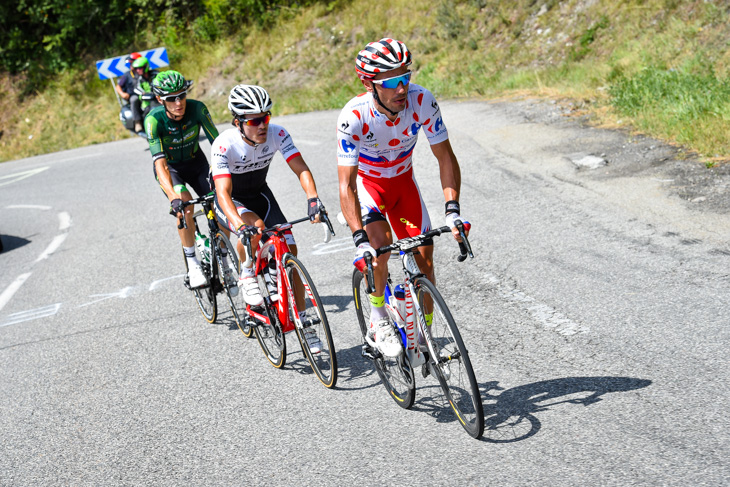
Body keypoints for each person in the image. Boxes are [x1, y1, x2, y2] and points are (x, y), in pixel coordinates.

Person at [337, 38, 470, 358]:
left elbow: (446, 158)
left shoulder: (421, 100)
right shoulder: (354, 116)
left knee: (425, 260)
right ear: (369, 84)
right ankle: (379, 318)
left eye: (405, 76)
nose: (402, 88)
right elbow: (347, 185)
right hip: (370, 190)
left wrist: (452, 211)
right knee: (379, 250)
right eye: (392, 82)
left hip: (403, 187)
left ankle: (423, 333)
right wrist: (359, 239)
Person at [210, 84, 328, 351]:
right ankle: (247, 273)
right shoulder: (224, 144)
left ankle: (302, 320)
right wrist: (239, 225)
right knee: (255, 226)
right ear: (238, 122)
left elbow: (301, 168)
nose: (263, 125)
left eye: (266, 117)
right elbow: (224, 193)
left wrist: (313, 199)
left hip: (260, 193)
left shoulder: (277, 134)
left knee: (290, 247)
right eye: (254, 120)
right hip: (231, 199)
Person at [144, 70, 222, 290]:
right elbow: (160, 165)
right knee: (185, 207)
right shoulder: (154, 120)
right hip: (172, 169)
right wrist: (172, 198)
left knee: (220, 202)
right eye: (171, 99)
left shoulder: (198, 108)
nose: (179, 102)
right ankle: (192, 262)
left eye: (182, 95)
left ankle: (223, 256)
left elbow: (217, 144)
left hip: (197, 163)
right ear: (160, 99)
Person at [131, 57, 160, 134]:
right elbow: (136, 89)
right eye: (136, 69)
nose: (138, 70)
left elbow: (163, 81)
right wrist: (144, 94)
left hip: (159, 99)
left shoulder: (155, 74)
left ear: (145, 67)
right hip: (147, 102)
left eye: (139, 68)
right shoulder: (138, 78)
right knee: (147, 115)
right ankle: (140, 124)